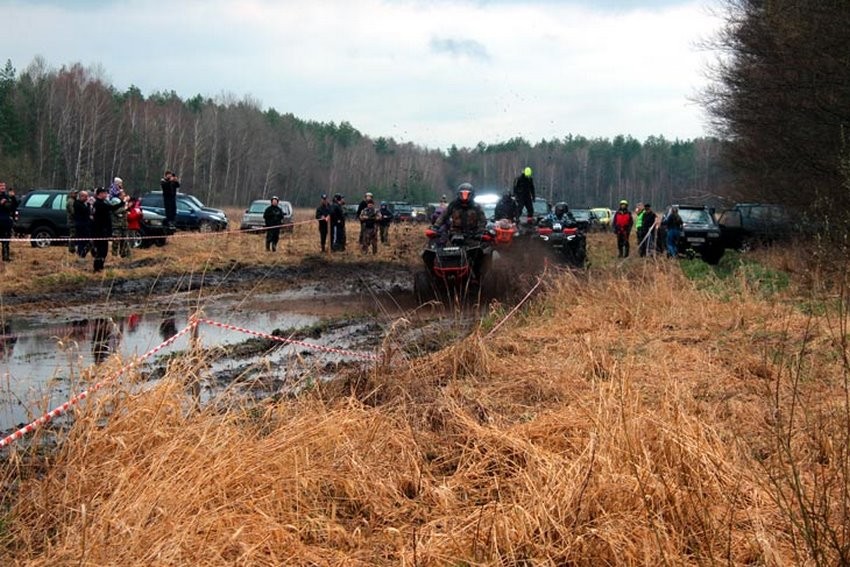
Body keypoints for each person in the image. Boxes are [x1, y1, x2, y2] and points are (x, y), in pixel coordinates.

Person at [91, 187, 123, 272]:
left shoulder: (101, 203)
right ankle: (97, 267)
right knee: (101, 250)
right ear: (100, 194)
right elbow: (111, 208)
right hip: (100, 231)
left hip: (102, 230)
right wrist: (122, 202)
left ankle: (100, 266)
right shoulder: (99, 204)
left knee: (103, 250)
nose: (106, 195)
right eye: (104, 193)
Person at [0, 186, 18, 262]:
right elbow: (7, 206)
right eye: (1, 186)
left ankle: (6, 258)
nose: (3, 188)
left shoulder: (7, 197)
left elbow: (13, 207)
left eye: (4, 186)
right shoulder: (3, 198)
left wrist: (13, 197)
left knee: (6, 241)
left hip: (6, 223)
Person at [111, 190, 131, 259]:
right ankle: (114, 256)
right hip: (117, 225)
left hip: (124, 225)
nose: (125, 196)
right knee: (116, 241)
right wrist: (125, 208)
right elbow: (116, 211)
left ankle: (123, 255)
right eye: (123, 194)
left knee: (124, 241)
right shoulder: (115, 202)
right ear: (119, 195)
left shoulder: (123, 203)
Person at [73, 190, 93, 258]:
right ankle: (81, 253)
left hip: (86, 224)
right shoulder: (77, 203)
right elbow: (85, 211)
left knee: (87, 241)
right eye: (86, 197)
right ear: (81, 196)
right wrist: (88, 204)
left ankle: (83, 252)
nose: (87, 198)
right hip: (81, 225)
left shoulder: (83, 203)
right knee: (82, 241)